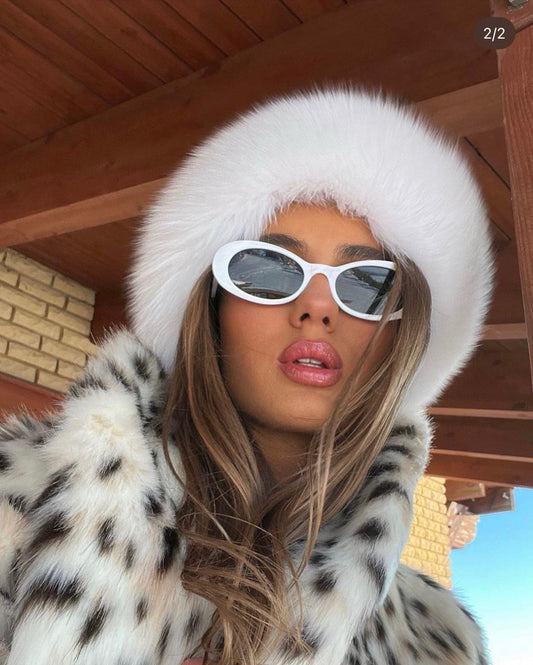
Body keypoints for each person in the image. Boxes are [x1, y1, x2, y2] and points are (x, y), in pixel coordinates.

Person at [0, 85, 495, 665]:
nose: (318, 307)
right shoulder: (21, 509)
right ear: (211, 307)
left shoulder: (435, 643)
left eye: (369, 284)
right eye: (268, 268)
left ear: (401, 337)